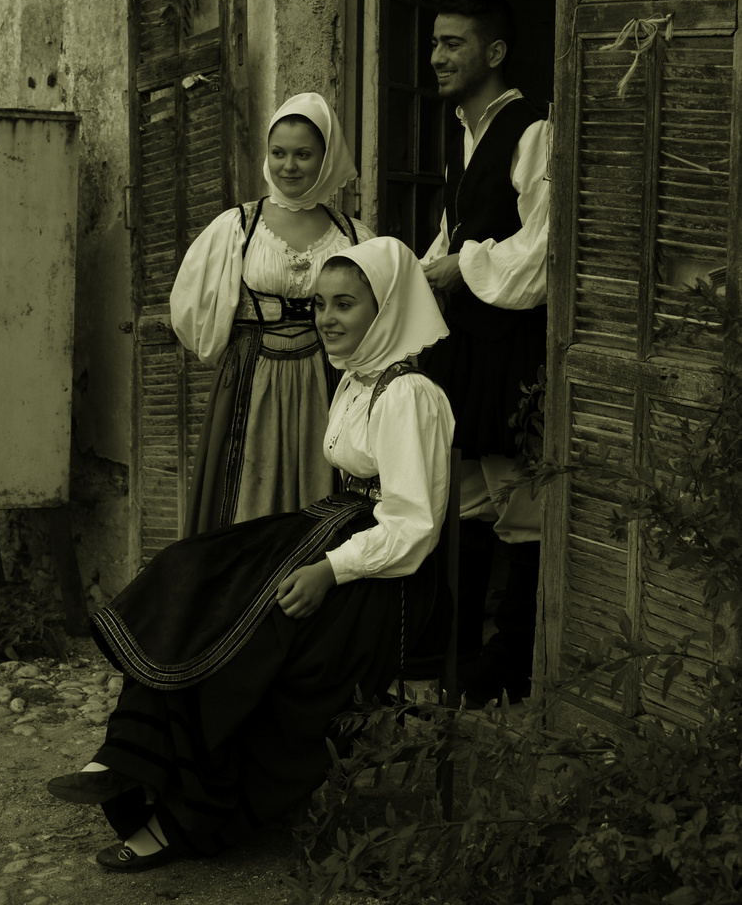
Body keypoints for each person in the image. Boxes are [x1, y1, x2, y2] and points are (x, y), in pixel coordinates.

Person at [46, 236, 454, 872]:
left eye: (345, 305)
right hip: (333, 535)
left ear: (387, 309)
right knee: (194, 575)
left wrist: (326, 571)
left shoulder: (409, 396)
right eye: (319, 304)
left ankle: (186, 816)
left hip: (384, 579)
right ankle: (128, 757)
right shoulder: (357, 381)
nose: (326, 319)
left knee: (246, 643)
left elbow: (414, 526)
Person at [420, 0, 550, 706]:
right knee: (465, 495)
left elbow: (540, 251)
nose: (436, 57)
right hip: (466, 338)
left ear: (494, 52)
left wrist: (458, 269)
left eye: (453, 44)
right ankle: (460, 650)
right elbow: (455, 236)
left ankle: (513, 662)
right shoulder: (466, 133)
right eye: (435, 43)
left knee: (517, 499)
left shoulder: (532, 129)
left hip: (510, 344)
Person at [170, 91, 375, 534]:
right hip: (250, 381)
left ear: (326, 157)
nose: (289, 166)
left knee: (322, 490)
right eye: (278, 153)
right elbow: (190, 312)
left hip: (330, 381)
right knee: (245, 497)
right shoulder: (237, 228)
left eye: (304, 154)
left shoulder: (354, 236)